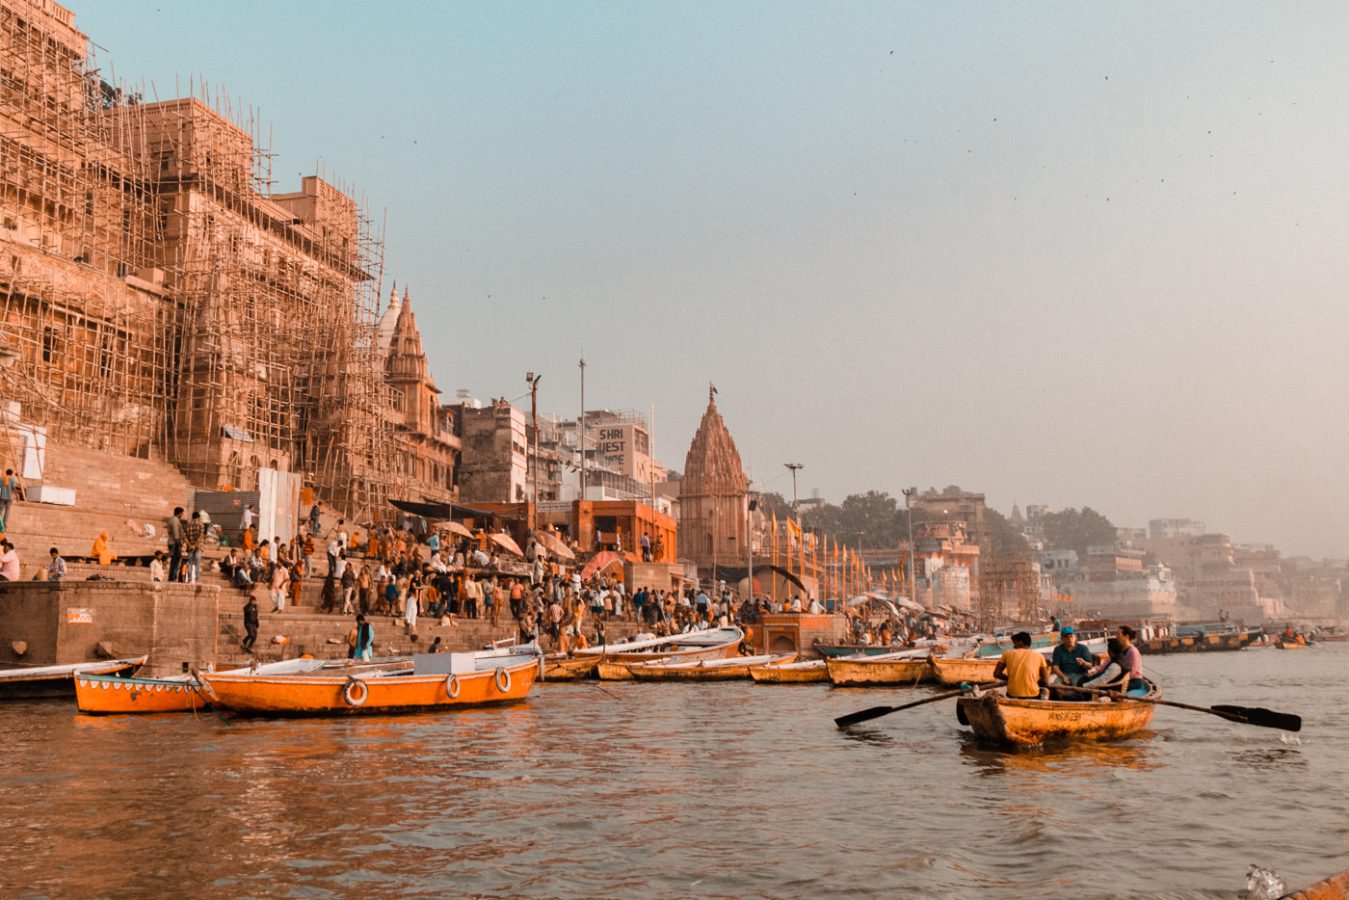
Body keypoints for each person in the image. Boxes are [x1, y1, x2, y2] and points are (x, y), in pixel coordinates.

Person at [993, 631, 1050, 700]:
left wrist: (1010, 679)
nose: (1013, 646)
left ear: (1020, 642)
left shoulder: (1007, 653)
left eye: (1014, 643)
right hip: (1033, 694)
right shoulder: (1039, 656)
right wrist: (1035, 683)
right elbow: (1045, 680)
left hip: (1013, 693)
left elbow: (997, 674)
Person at [1117, 625, 1146, 694]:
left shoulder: (1133, 651)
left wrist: (1118, 679)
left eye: (1118, 634)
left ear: (1126, 636)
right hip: (1124, 679)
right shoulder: (1121, 650)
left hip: (1134, 681)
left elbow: (1132, 671)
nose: (1116, 636)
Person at [183, 512, 205, 583]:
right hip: (198, 547)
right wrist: (195, 545)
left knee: (190, 563)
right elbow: (200, 536)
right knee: (197, 564)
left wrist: (190, 545)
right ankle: (196, 579)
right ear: (198, 517)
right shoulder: (201, 524)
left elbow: (184, 537)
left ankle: (189, 579)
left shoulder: (187, 524)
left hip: (190, 547)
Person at [166, 507, 186, 582]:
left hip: (172, 542)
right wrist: (180, 544)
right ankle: (172, 577)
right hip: (175, 543)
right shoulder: (175, 520)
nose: (182, 515)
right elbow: (176, 535)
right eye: (182, 513)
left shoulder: (172, 519)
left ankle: (173, 576)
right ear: (180, 513)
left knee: (175, 561)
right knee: (175, 561)